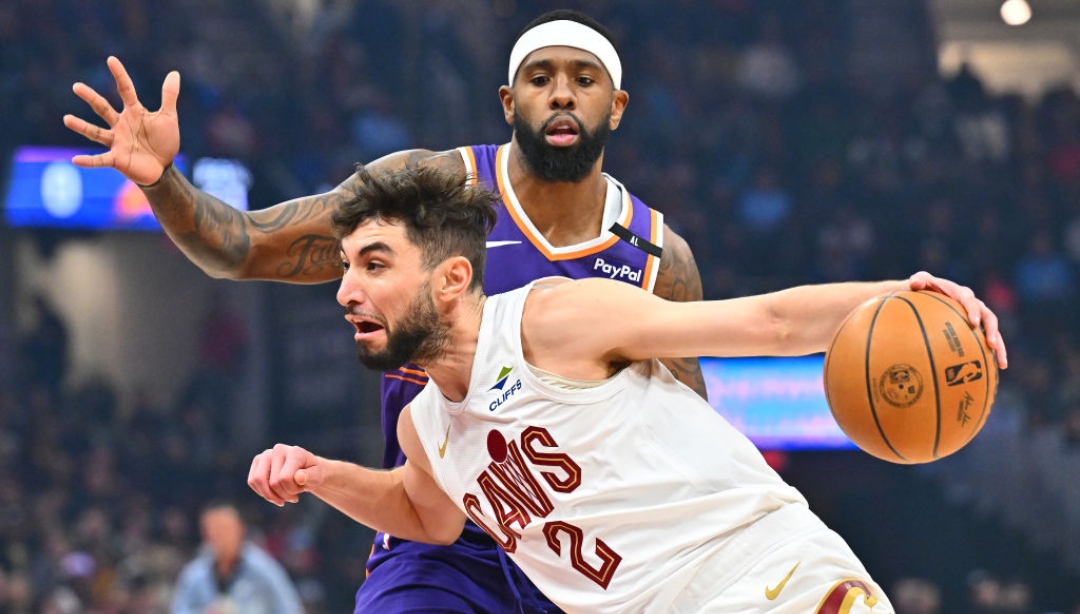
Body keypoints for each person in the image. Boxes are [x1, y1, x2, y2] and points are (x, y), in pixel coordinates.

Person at [64, 9, 705, 612]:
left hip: (586, 561)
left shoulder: (657, 260)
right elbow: (243, 247)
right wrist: (160, 181)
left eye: (583, 79)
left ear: (616, 107)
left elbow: (690, 446)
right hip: (439, 542)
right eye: (541, 78)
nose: (561, 95)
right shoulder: (426, 193)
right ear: (509, 102)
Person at [246, 164, 1008, 613]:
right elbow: (424, 513)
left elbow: (767, 325)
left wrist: (905, 294)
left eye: (373, 264)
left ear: (451, 279)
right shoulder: (425, 427)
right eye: (345, 266)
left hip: (762, 583)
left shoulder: (552, 319)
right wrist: (321, 477)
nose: (346, 289)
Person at [171, 501, 303, 614]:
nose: (219, 535)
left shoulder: (264, 570)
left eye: (224, 528)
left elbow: (290, 609)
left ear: (240, 529)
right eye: (213, 529)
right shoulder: (194, 575)